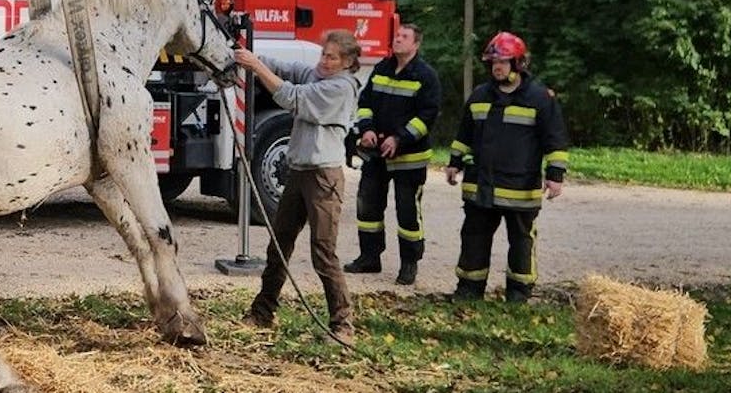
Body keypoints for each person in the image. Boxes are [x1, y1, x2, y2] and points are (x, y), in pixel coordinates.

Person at [238, 29, 362, 344]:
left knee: (323, 252)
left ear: (346, 62)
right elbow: (287, 69)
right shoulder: (318, 75)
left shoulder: (340, 88)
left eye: (331, 57)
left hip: (323, 178)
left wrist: (255, 66)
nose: (324, 60)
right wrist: (245, 54)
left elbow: (293, 97)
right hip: (298, 171)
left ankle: (342, 324)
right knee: (279, 244)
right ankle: (262, 312)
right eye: (323, 54)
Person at [444, 31, 569, 304]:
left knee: (521, 241)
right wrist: (454, 163)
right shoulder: (479, 95)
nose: (496, 68)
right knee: (474, 237)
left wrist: (555, 175)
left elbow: (555, 140)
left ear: (519, 63)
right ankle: (469, 289)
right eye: (493, 63)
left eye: (503, 62)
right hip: (480, 184)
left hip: (519, 187)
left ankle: (518, 292)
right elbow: (464, 134)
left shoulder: (539, 98)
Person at [345, 23, 443, 285]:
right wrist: (366, 130)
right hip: (376, 155)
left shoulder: (426, 75)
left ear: (416, 44)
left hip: (409, 159)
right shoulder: (382, 68)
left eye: (404, 37)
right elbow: (365, 104)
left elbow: (427, 116)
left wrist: (399, 138)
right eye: (396, 35)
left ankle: (409, 263)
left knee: (407, 211)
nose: (397, 39)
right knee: (368, 206)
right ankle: (369, 257)